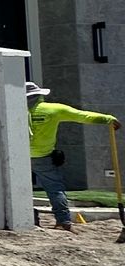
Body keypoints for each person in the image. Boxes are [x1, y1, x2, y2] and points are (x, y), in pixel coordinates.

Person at [26, 82, 119, 230]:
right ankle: (63, 221)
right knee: (55, 189)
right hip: (42, 157)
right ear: (40, 95)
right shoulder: (54, 110)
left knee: (16, 190)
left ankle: (26, 218)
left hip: (18, 157)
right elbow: (82, 116)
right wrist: (107, 119)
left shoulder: (14, 111)